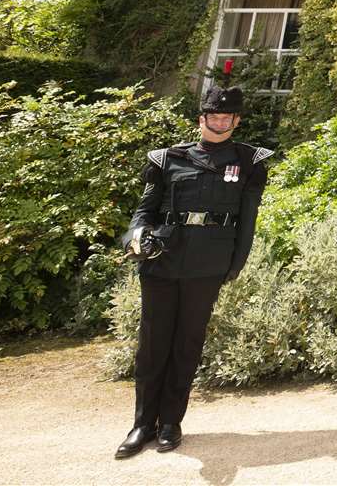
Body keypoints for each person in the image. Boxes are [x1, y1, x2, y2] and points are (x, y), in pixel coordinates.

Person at [116, 63, 271, 459]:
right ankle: (141, 425)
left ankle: (171, 423)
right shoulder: (166, 159)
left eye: (227, 117)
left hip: (208, 263)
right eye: (213, 115)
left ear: (235, 120)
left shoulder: (250, 162)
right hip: (163, 261)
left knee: (187, 343)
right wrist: (136, 238)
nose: (220, 122)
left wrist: (234, 265)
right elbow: (143, 212)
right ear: (201, 117)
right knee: (152, 345)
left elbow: (248, 221)